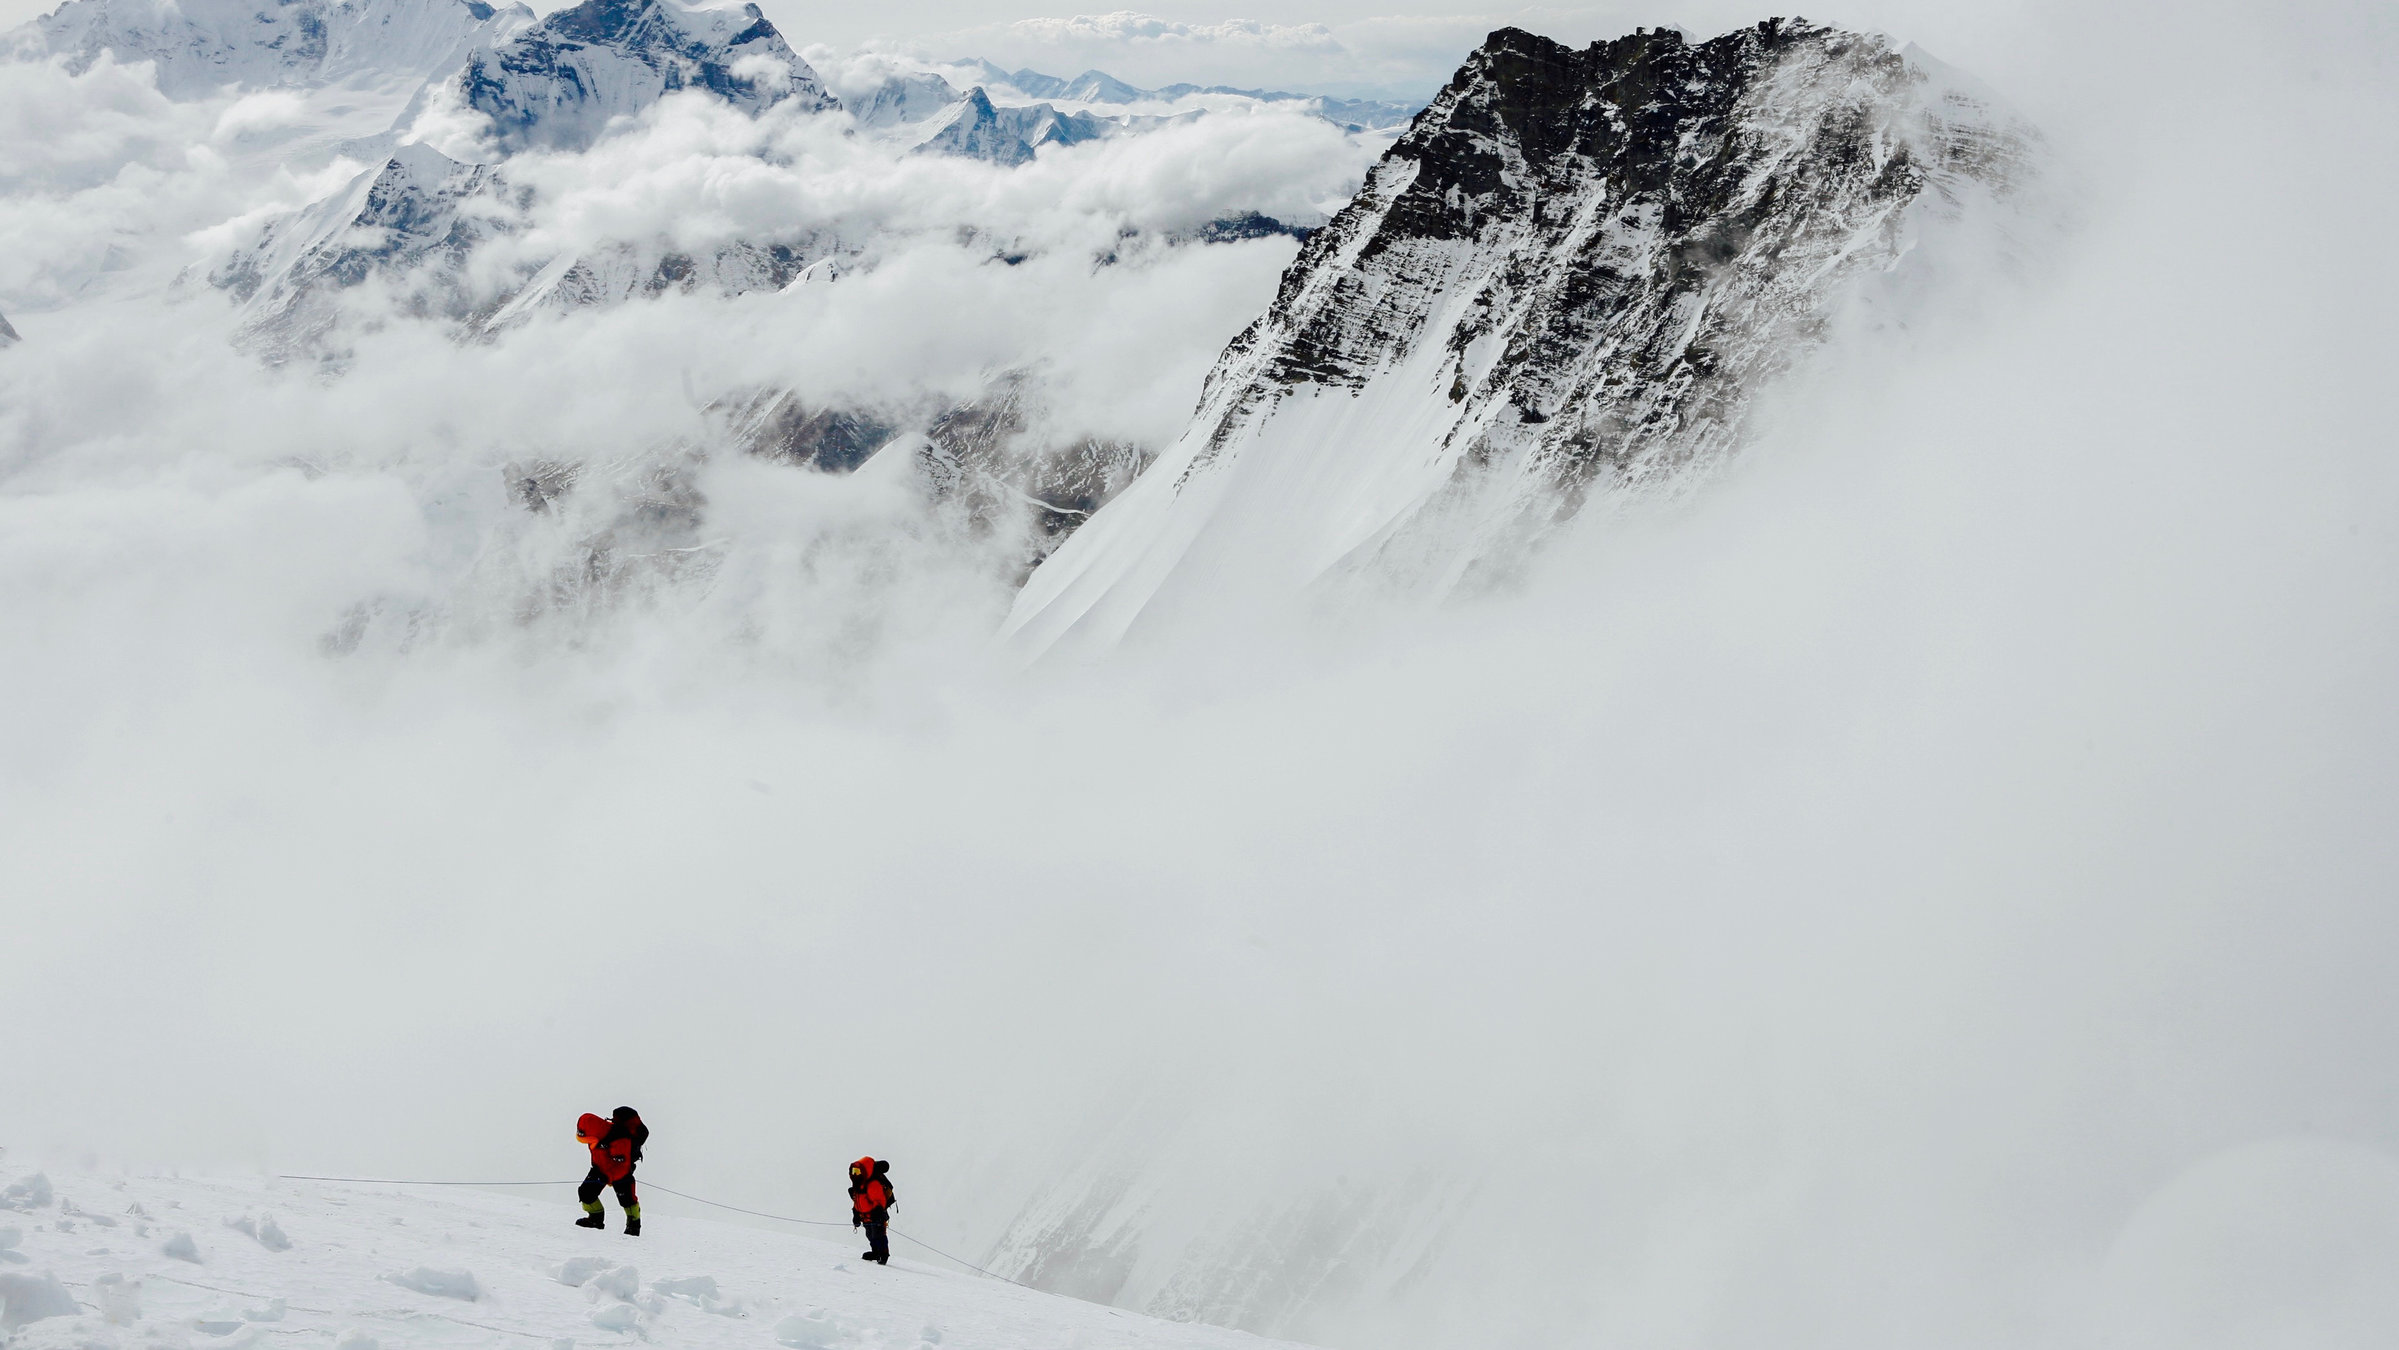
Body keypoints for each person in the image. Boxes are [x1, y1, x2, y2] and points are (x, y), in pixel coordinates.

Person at [575, 1107, 648, 1236]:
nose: (587, 1143)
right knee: (586, 1193)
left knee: (627, 1200)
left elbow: (622, 1165)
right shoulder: (596, 1135)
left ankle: (633, 1227)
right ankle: (595, 1219)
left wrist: (607, 1178)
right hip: (600, 1169)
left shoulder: (619, 1137)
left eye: (588, 1139)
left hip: (621, 1173)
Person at [848, 1157, 894, 1264]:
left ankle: (883, 1255)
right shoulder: (858, 1186)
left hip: (876, 1217)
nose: (855, 1174)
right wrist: (856, 1215)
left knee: (879, 1235)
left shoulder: (872, 1184)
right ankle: (875, 1252)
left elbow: (879, 1200)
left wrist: (877, 1212)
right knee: (870, 1235)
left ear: (864, 1171)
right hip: (866, 1218)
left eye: (857, 1171)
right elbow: (857, 1202)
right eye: (853, 1171)